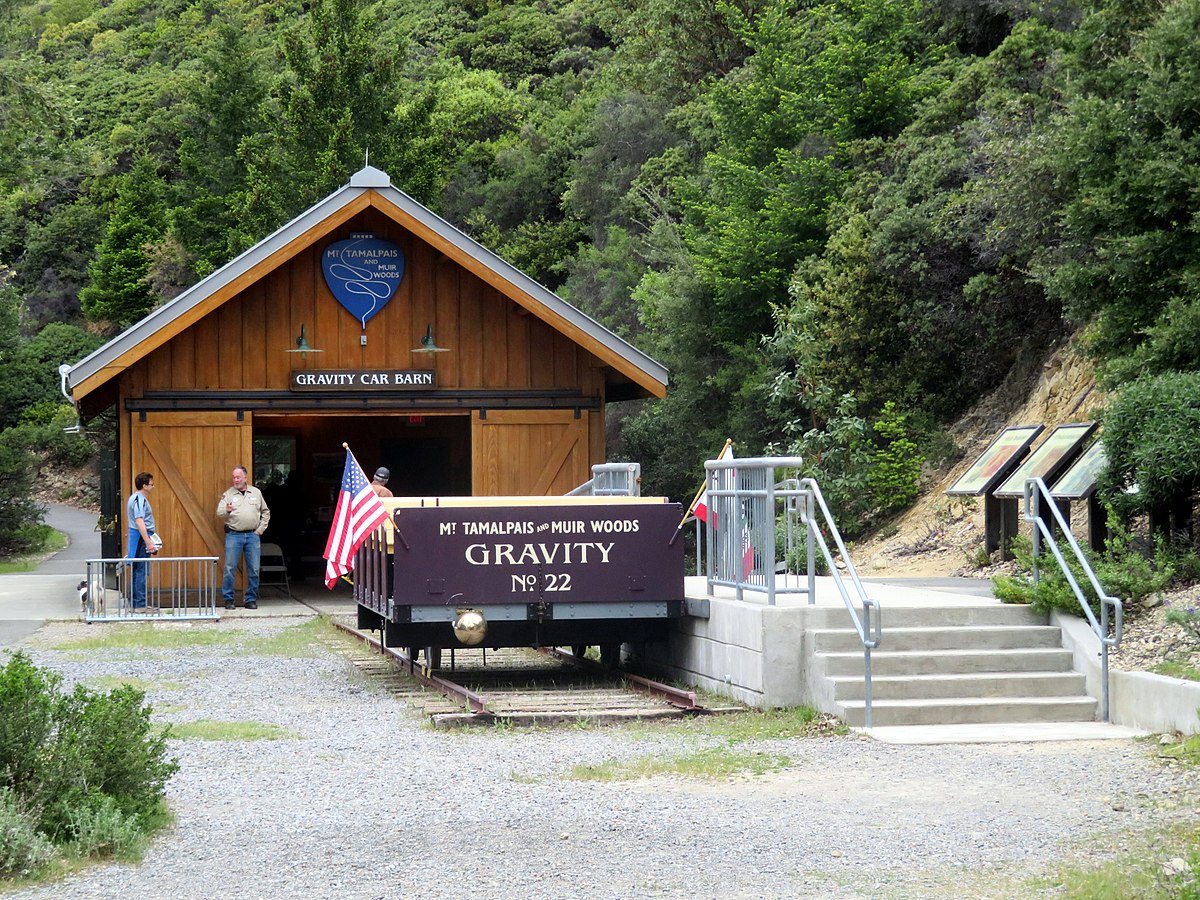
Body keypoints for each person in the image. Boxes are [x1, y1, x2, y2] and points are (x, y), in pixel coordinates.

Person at [216, 465, 271, 610]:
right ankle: (228, 600)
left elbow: (266, 512)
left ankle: (250, 599)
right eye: (234, 477)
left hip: (253, 536)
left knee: (254, 569)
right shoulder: (228, 494)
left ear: (245, 478)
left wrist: (260, 530)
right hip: (234, 535)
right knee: (229, 568)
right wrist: (226, 510)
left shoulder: (256, 492)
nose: (235, 480)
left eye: (238, 477)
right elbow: (219, 513)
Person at [126, 472, 159, 610]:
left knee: (138, 569)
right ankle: (140, 604)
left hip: (139, 536)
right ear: (144, 486)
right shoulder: (140, 499)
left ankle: (137, 603)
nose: (153, 486)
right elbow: (139, 521)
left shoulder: (134, 498)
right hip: (140, 537)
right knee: (141, 570)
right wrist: (148, 541)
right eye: (151, 484)